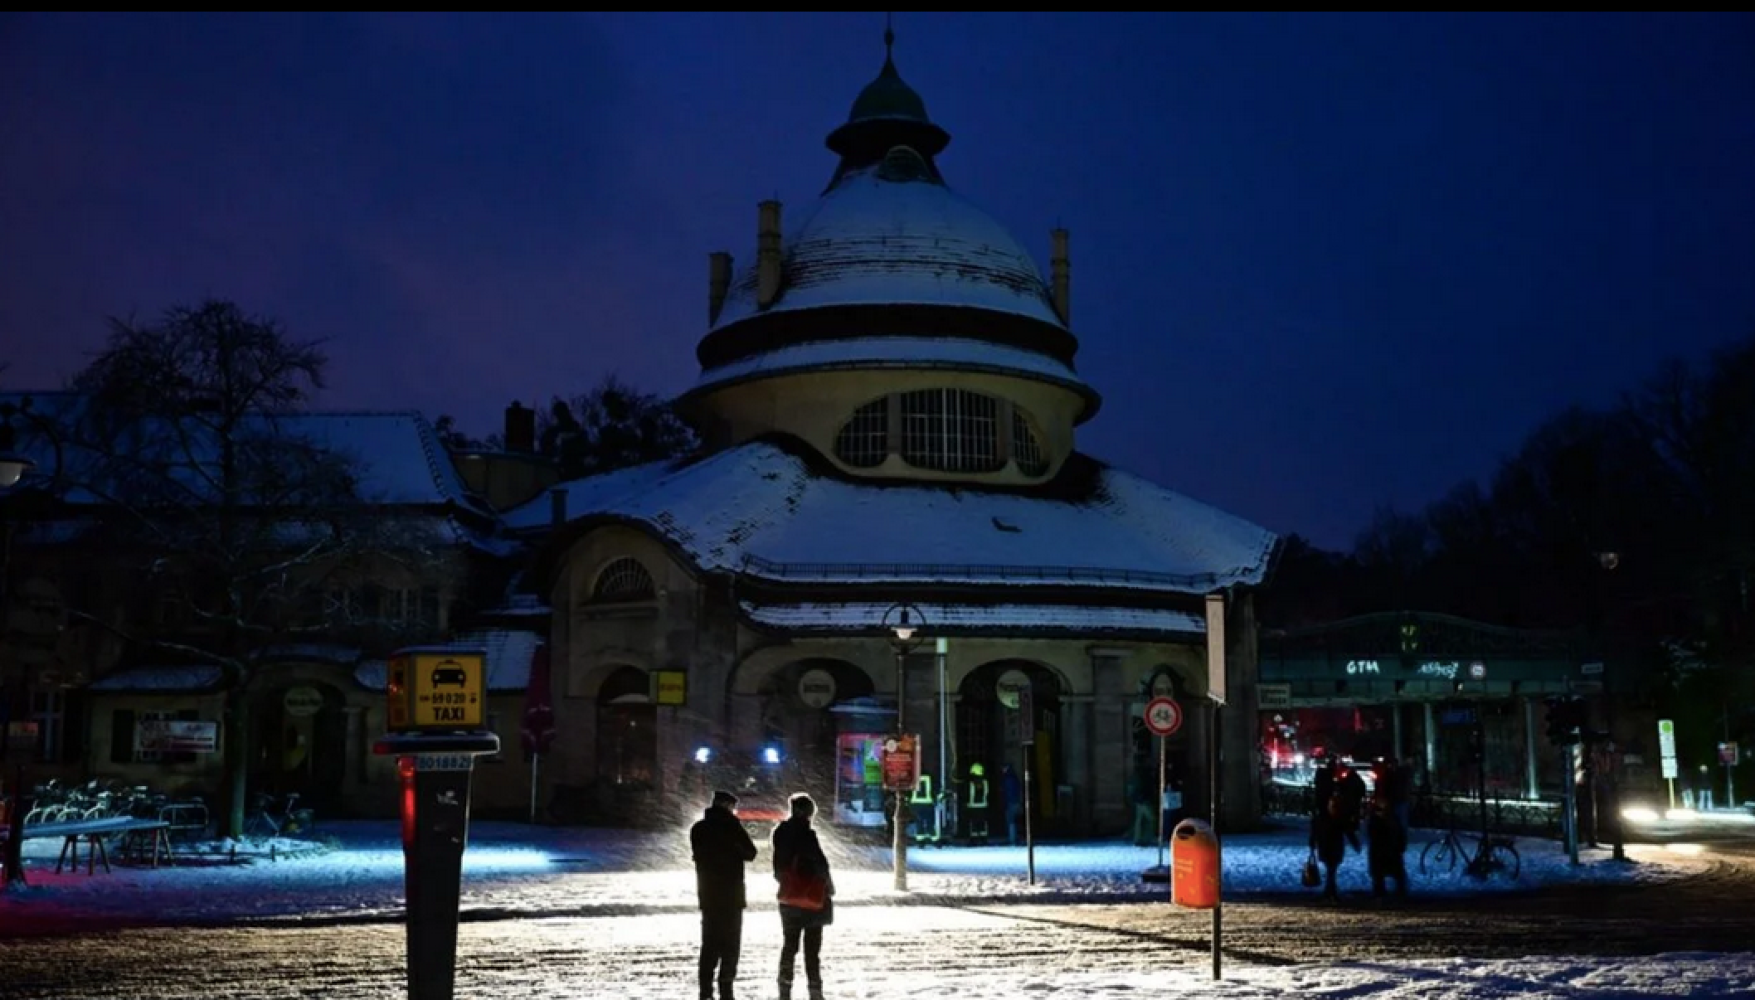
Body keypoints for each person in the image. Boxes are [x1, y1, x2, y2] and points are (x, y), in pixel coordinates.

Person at [691, 789, 758, 1000]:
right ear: (728, 806)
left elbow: (700, 855)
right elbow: (751, 853)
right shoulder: (732, 827)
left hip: (708, 893)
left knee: (709, 942)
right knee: (730, 943)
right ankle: (726, 986)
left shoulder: (699, 829)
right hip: (731, 894)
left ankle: (705, 987)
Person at [771, 792, 834, 1000]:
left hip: (789, 897)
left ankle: (784, 984)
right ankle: (815, 989)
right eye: (809, 813)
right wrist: (828, 886)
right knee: (812, 948)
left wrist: (787, 881)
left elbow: (778, 868)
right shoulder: (807, 835)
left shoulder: (780, 832)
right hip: (811, 898)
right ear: (804, 813)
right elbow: (819, 866)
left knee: (790, 943)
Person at [964, 763, 991, 846]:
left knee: (973, 823)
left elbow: (970, 793)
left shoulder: (971, 782)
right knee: (983, 822)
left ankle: (973, 839)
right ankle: (984, 838)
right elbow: (986, 793)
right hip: (983, 805)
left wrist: (967, 803)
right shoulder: (985, 781)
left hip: (973, 806)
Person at [1001, 764, 1023, 845]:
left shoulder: (1008, 779)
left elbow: (1008, 792)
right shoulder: (1014, 778)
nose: (1002, 770)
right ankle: (1014, 838)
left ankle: (1012, 839)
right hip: (1015, 801)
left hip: (1011, 802)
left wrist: (1006, 802)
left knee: (1011, 821)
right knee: (1013, 821)